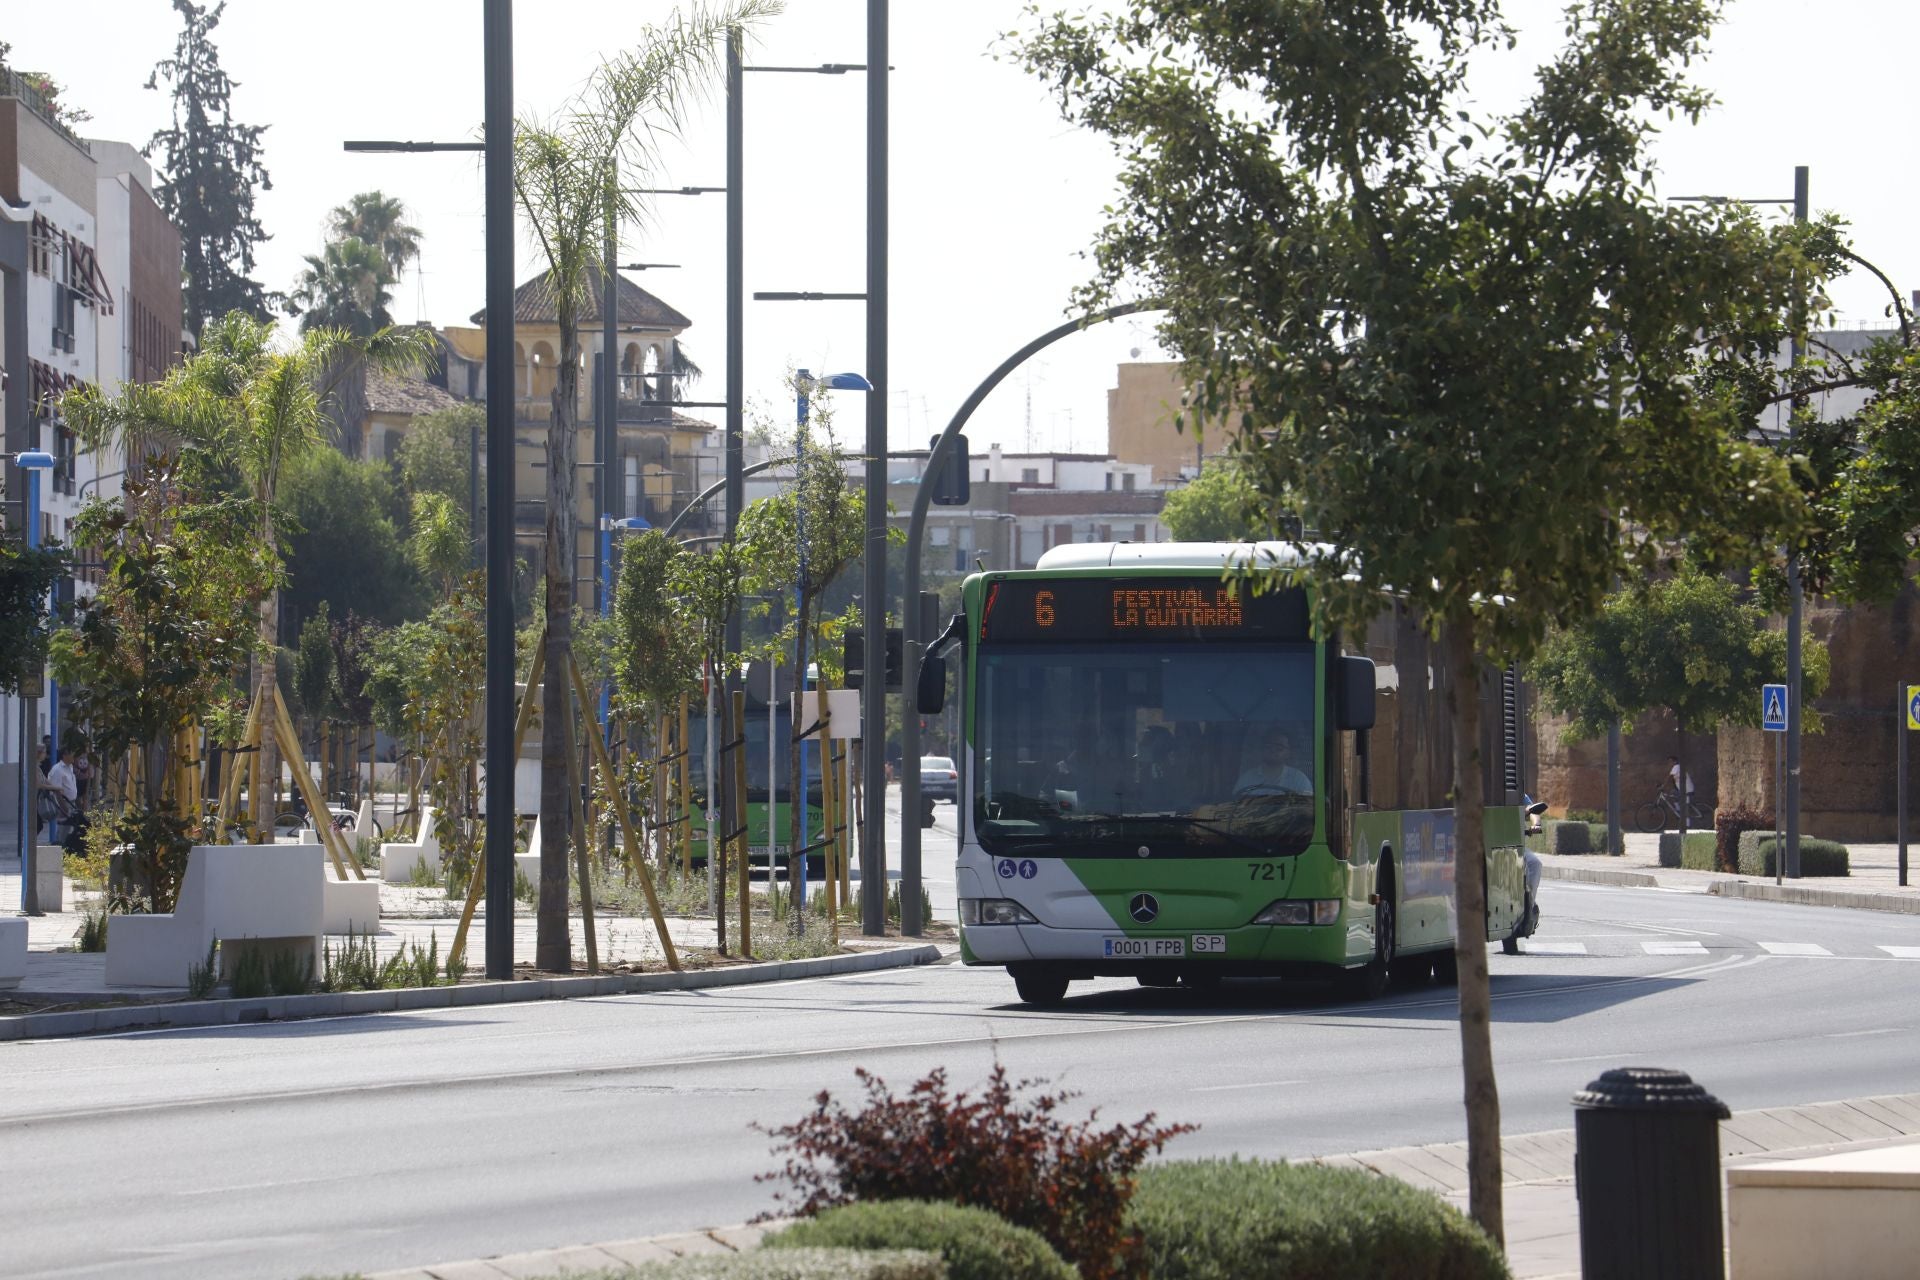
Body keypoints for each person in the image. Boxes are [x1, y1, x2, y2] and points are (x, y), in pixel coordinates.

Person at [1233, 727, 1312, 797]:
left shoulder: (1299, 780)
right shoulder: (1247, 779)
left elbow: (1306, 809)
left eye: (1279, 747)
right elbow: (1236, 807)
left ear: (1289, 752)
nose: (1273, 750)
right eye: (1269, 746)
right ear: (1262, 749)